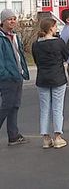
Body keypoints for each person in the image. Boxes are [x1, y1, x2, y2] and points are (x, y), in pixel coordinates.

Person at [31, 18, 69, 149]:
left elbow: (36, 60)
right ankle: (58, 136)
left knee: (44, 108)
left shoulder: (36, 44)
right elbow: (66, 56)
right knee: (57, 107)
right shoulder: (59, 42)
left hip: (42, 78)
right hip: (58, 77)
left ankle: (46, 138)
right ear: (51, 28)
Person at [0, 9, 30, 146]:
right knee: (6, 106)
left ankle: (13, 135)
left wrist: (23, 71)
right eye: (9, 19)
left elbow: (20, 55)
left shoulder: (15, 36)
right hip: (7, 78)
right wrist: (5, 74)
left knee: (15, 106)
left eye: (14, 18)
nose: (12, 21)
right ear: (2, 21)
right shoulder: (1, 38)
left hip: (18, 75)